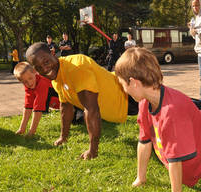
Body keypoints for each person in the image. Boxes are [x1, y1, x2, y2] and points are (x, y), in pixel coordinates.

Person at [25, 42, 138, 160]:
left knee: (156, 116)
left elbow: (91, 110)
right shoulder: (57, 79)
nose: (44, 69)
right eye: (38, 68)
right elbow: (66, 107)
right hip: (121, 104)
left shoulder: (76, 67)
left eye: (46, 62)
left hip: (128, 94)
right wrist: (63, 137)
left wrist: (92, 150)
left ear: (53, 53)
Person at [115, 47, 201, 191]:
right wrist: (140, 178)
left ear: (134, 82)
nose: (124, 90)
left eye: (123, 85)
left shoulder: (172, 111)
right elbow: (144, 140)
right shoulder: (144, 102)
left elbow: (176, 160)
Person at [13, 61, 60, 137]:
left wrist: (32, 131)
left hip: (68, 101)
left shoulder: (42, 82)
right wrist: (22, 128)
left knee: (78, 118)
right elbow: (28, 106)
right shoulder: (28, 86)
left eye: (30, 78)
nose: (29, 83)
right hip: (57, 104)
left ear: (35, 72)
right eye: (24, 82)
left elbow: (38, 108)